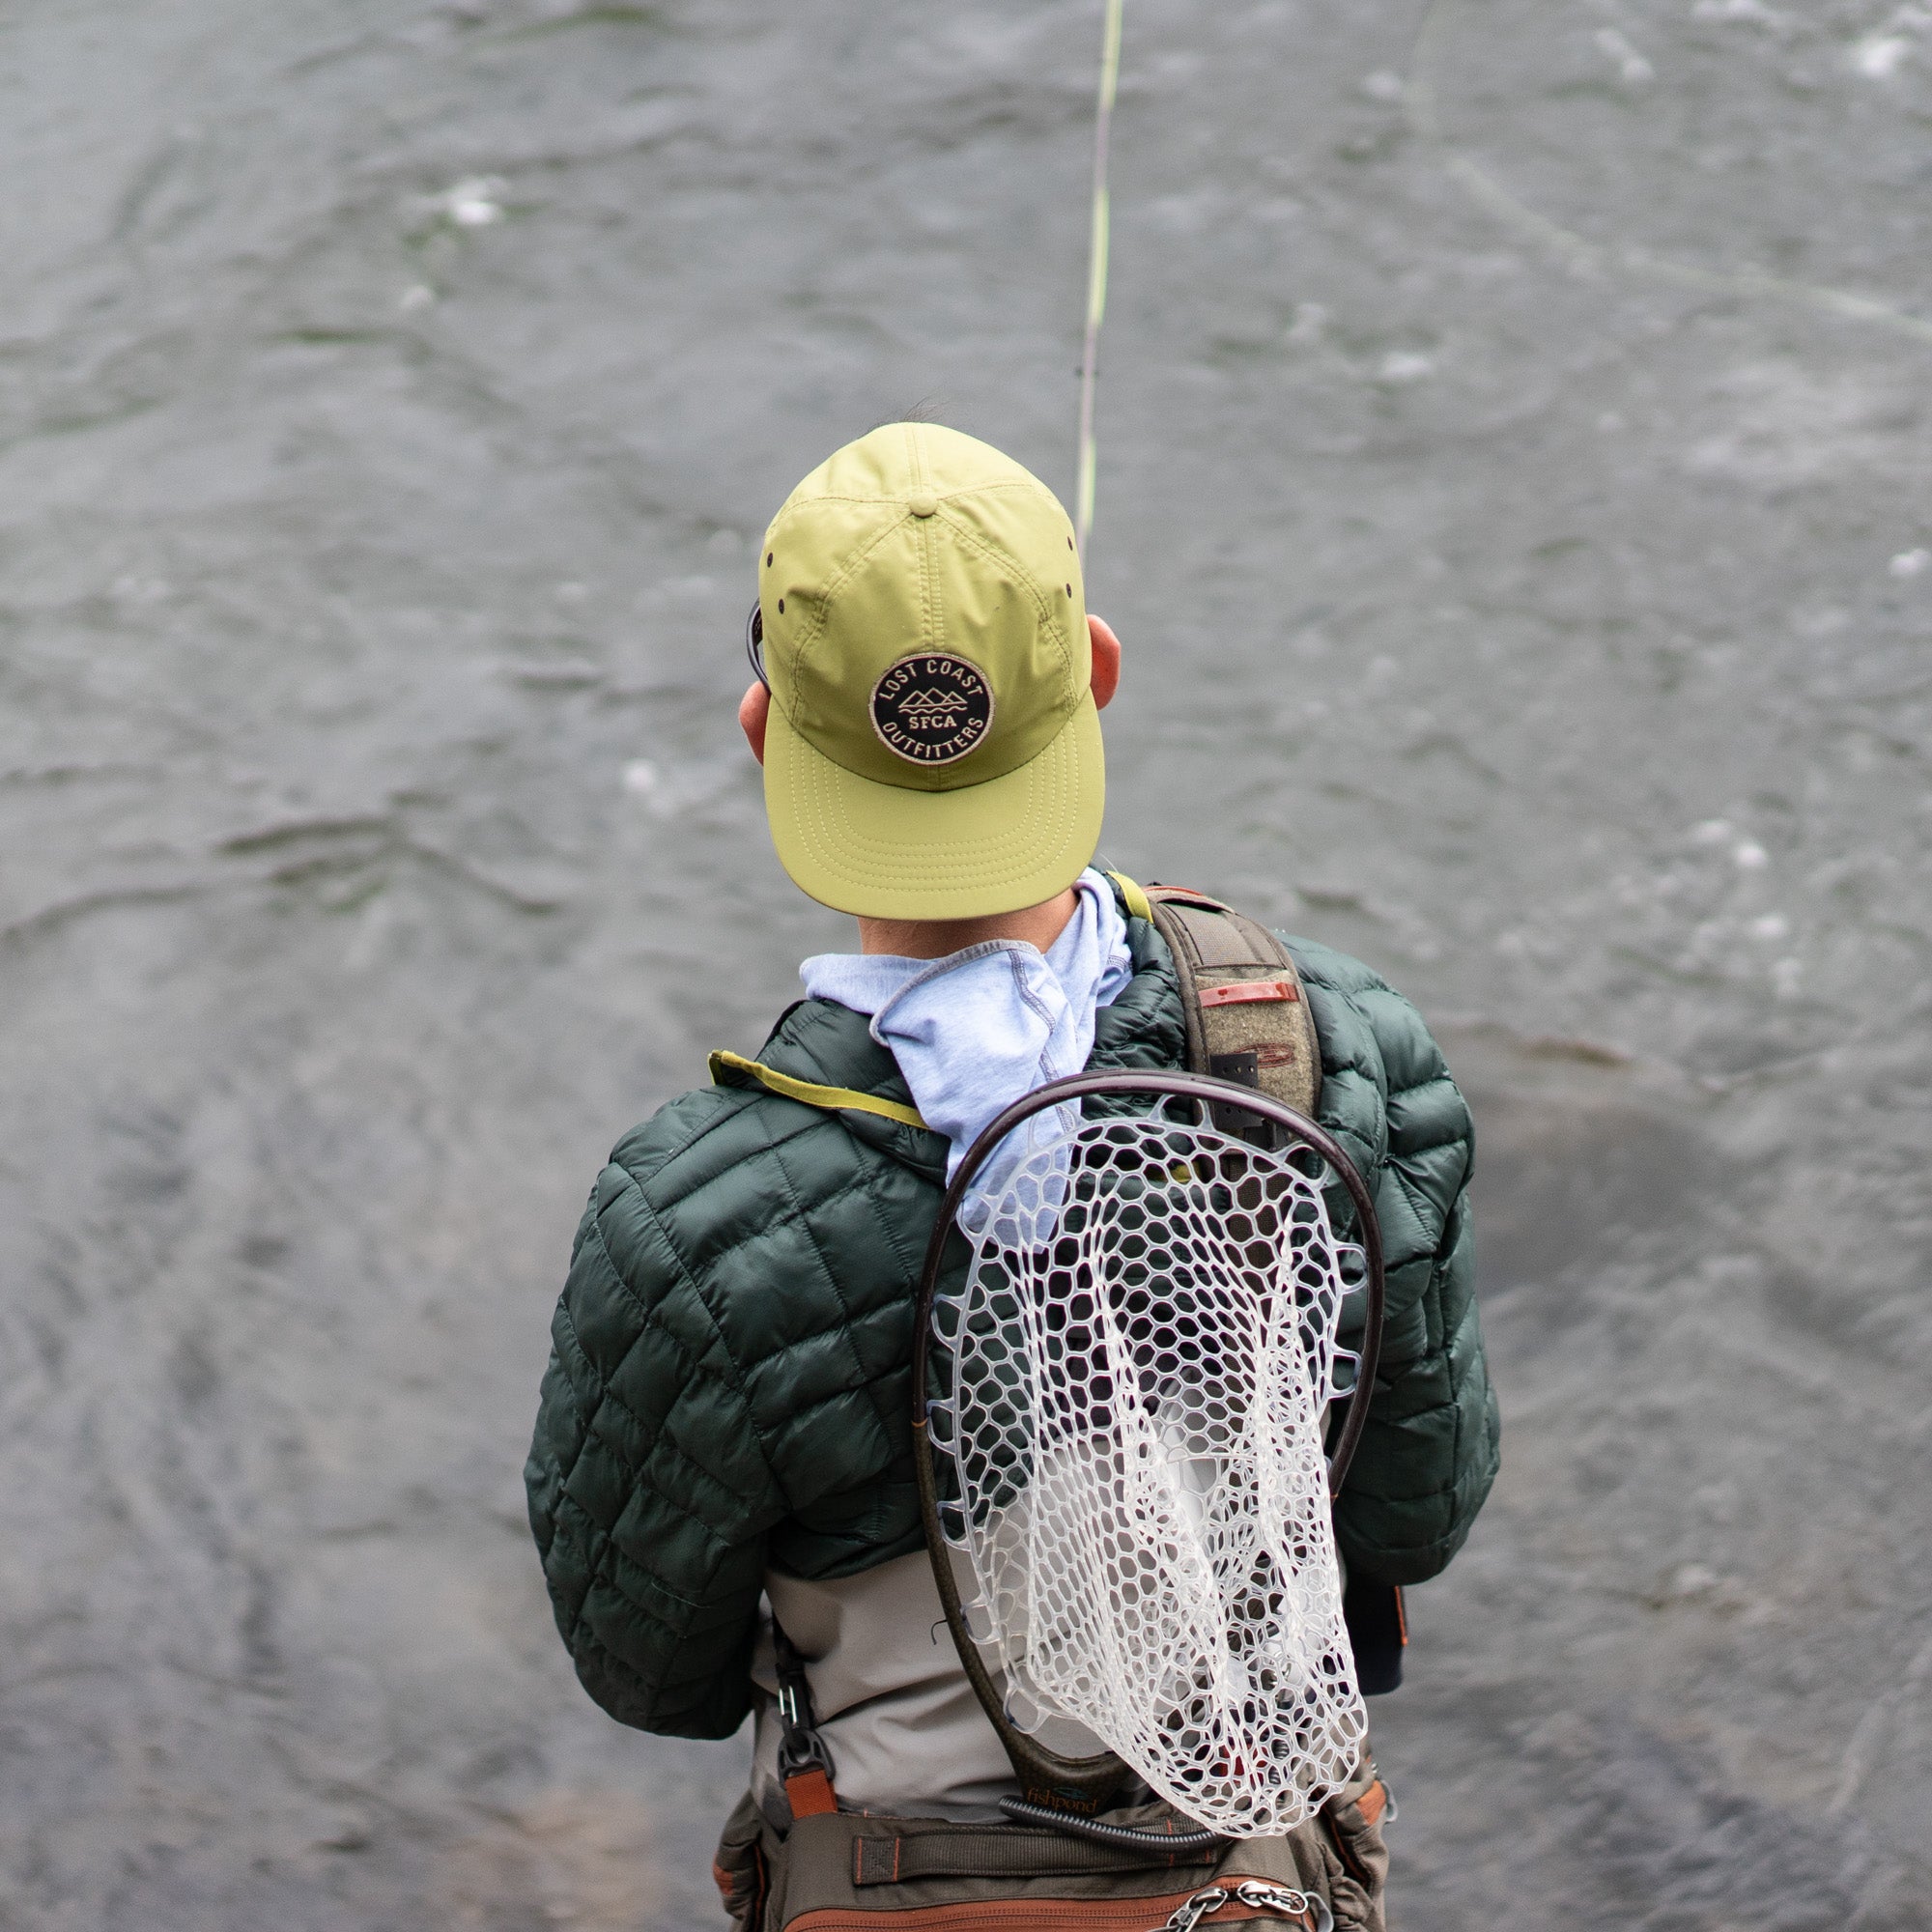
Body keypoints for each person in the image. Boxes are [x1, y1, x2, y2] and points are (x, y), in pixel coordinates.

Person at [526, 422, 1500, 1924]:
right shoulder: (1335, 1051)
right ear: (1095, 672)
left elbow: (651, 1675)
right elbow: (1412, 1519)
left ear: (763, 730)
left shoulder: (692, 1218)